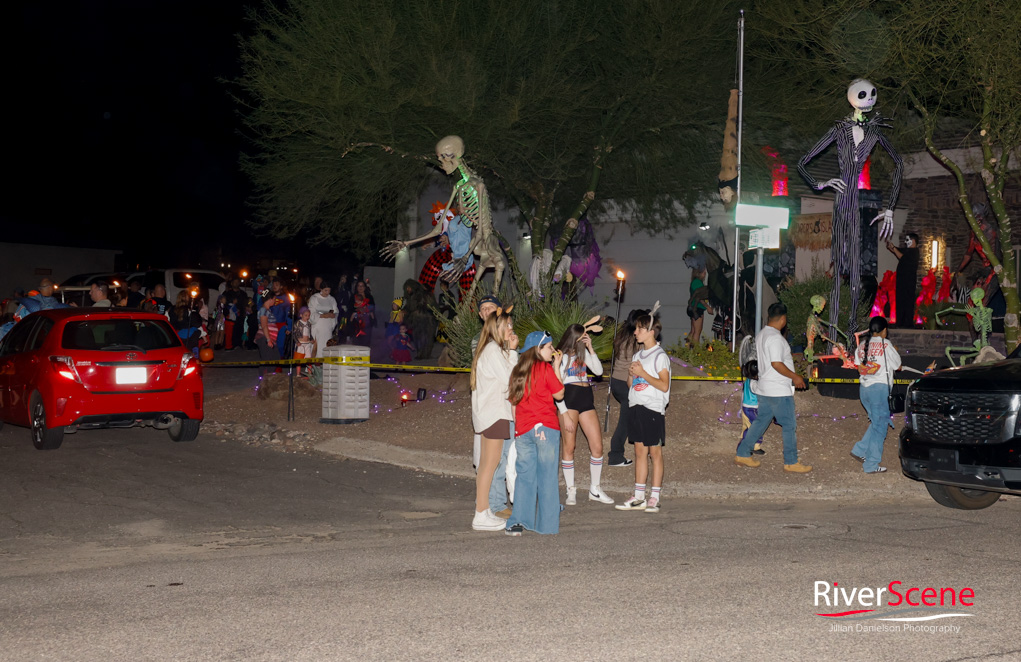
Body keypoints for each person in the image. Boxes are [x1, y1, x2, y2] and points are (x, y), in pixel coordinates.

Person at [734, 302, 813, 473]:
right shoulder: (776, 338)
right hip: (778, 391)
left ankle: (742, 453)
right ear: (783, 319)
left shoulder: (762, 334)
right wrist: (795, 377)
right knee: (789, 425)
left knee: (761, 422)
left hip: (765, 388)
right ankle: (791, 461)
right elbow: (776, 364)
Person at [505, 331, 569, 536]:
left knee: (525, 476)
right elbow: (559, 393)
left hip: (523, 429)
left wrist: (519, 429)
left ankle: (519, 521)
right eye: (549, 347)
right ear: (538, 349)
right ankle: (547, 526)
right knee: (547, 476)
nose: (552, 350)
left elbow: (514, 404)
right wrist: (557, 368)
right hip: (546, 428)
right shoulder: (544, 367)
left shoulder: (518, 371)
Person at [616, 314, 671, 512]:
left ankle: (654, 496)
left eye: (639, 329)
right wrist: (632, 375)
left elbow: (664, 386)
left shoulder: (660, 356)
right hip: (636, 406)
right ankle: (639, 496)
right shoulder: (638, 355)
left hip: (653, 408)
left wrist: (643, 374)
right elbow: (632, 385)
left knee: (654, 453)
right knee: (639, 452)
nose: (635, 332)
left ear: (650, 332)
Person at [469, 310, 519, 531]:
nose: (511, 329)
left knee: (489, 464)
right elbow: (512, 380)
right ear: (497, 328)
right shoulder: (492, 350)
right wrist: (514, 352)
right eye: (507, 325)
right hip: (495, 413)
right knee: (489, 464)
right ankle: (481, 514)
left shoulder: (493, 350)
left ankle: (484, 510)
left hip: (493, 413)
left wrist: (509, 351)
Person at [556, 323, 613, 506]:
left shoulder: (583, 354)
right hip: (569, 400)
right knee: (569, 447)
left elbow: (598, 371)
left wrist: (590, 348)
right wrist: (564, 412)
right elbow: (555, 387)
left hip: (586, 398)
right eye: (582, 338)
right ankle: (570, 489)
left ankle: (595, 489)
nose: (584, 339)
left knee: (597, 446)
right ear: (574, 338)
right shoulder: (560, 357)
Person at [851, 316, 902, 474]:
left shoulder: (861, 346)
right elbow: (898, 365)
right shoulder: (886, 345)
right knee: (880, 427)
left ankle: (859, 450)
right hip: (879, 390)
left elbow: (859, 366)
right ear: (884, 330)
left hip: (864, 390)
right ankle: (871, 465)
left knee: (876, 422)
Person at [607, 309, 644, 467]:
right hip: (625, 383)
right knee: (625, 421)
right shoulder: (636, 341)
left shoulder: (622, 335)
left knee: (630, 417)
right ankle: (615, 455)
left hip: (616, 381)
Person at [471, 294, 502, 471]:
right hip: (486, 396)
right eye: (483, 309)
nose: (485, 311)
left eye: (489, 307)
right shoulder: (478, 339)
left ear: (498, 311)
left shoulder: (508, 334)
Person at [886, 233, 919, 328]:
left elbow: (901, 256)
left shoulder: (914, 252)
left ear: (913, 241)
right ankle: (900, 322)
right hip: (902, 281)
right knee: (900, 301)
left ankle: (907, 324)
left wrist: (894, 249)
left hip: (908, 283)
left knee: (907, 302)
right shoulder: (908, 250)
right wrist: (891, 247)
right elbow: (897, 250)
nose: (905, 242)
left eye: (907, 240)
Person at [737, 360, 765, 456]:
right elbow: (760, 392)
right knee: (756, 427)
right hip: (753, 408)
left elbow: (743, 395)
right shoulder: (754, 383)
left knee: (747, 427)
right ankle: (754, 446)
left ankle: (743, 445)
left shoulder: (747, 381)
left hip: (746, 407)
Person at [308, 282, 338, 358]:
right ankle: (314, 365)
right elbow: (311, 312)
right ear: (321, 289)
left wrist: (333, 315)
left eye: (329, 291)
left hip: (327, 325)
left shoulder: (332, 299)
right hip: (318, 324)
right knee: (316, 345)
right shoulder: (314, 298)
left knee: (326, 344)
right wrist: (323, 315)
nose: (327, 293)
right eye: (325, 290)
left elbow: (336, 311)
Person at [686, 268, 713, 346]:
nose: (705, 273)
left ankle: (687, 349)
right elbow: (699, 297)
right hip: (697, 308)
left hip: (695, 307)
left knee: (693, 330)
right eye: (703, 272)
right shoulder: (697, 282)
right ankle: (695, 351)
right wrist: (707, 307)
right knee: (697, 332)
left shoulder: (695, 282)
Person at [254, 298, 279, 376]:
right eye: (274, 299)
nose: (275, 301)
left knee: (275, 358)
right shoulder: (263, 310)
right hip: (265, 338)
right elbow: (264, 325)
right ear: (270, 299)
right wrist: (268, 340)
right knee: (267, 359)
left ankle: (268, 377)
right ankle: (263, 379)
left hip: (270, 338)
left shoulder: (267, 310)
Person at [350, 280, 375, 346]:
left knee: (366, 341)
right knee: (356, 341)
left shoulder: (369, 297)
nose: (360, 287)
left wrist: (365, 310)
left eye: (362, 286)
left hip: (367, 322)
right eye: (359, 286)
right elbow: (350, 308)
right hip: (356, 323)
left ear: (365, 287)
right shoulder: (353, 297)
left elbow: (372, 308)